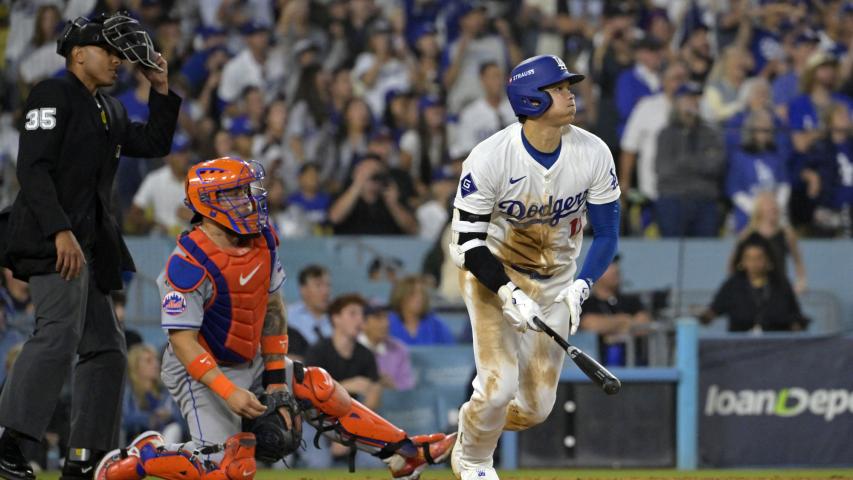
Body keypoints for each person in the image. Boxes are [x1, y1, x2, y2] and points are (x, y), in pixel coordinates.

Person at [95, 157, 454, 480]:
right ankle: (144, 458)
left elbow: (273, 309)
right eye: (237, 194)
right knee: (231, 470)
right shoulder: (187, 263)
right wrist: (229, 391)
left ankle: (404, 454)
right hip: (202, 370)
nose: (250, 201)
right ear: (210, 204)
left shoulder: (263, 238)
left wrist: (275, 379)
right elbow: (182, 342)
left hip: (249, 354)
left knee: (319, 388)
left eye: (249, 191)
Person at [0, 13, 179, 480]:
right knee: (57, 335)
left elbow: (157, 141)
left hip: (89, 247)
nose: (118, 60)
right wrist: (59, 230)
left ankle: (87, 458)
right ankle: (9, 441)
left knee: (106, 350)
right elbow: (33, 169)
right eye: (109, 50)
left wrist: (160, 88)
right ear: (78, 54)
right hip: (52, 239)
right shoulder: (52, 94)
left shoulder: (110, 108)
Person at [448, 55, 621, 480]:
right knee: (497, 386)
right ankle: (473, 461)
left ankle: (467, 430)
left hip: (559, 280)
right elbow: (468, 242)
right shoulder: (489, 158)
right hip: (494, 272)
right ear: (531, 99)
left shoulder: (593, 152)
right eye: (559, 88)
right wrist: (508, 292)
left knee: (534, 409)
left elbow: (609, 234)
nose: (569, 93)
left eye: (568, 86)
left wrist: (582, 285)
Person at [699, 233, 807, 332]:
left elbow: (795, 317)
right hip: (740, 346)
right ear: (742, 261)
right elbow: (713, 311)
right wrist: (702, 316)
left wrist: (796, 327)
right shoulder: (732, 285)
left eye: (759, 258)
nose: (754, 263)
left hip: (776, 346)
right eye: (749, 258)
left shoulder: (781, 284)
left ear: (768, 259)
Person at [578, 254, 651, 367]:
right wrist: (624, 322)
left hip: (634, 368)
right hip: (598, 369)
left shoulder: (632, 301)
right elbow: (589, 324)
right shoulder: (586, 303)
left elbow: (644, 325)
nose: (615, 270)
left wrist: (611, 331)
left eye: (616, 266)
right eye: (608, 266)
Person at [122, 344, 183, 445]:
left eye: (156, 360)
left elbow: (183, 424)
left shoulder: (166, 392)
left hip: (164, 439)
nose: (156, 364)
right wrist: (150, 419)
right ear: (136, 367)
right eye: (148, 361)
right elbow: (124, 421)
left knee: (174, 428)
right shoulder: (128, 393)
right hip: (135, 444)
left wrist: (170, 416)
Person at [359, 304, 416, 391]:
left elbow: (407, 388)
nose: (386, 323)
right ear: (363, 323)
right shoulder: (351, 347)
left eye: (386, 317)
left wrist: (392, 385)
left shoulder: (399, 349)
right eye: (378, 318)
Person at [387, 276, 455, 346]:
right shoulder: (387, 324)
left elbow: (450, 353)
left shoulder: (436, 326)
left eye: (421, 293)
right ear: (400, 297)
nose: (419, 298)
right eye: (412, 294)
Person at [285, 264, 332, 355]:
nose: (326, 291)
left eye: (328, 285)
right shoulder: (288, 317)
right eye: (318, 285)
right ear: (303, 289)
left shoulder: (338, 318)